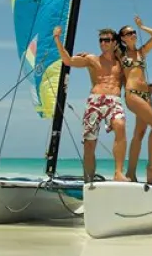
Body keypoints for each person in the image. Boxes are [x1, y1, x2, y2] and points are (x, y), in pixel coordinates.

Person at [52, 25, 126, 182]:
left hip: (114, 100)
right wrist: (57, 39)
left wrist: (145, 90)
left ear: (115, 43)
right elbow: (68, 60)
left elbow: (132, 80)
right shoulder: (92, 59)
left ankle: (118, 173)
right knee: (89, 143)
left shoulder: (122, 62)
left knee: (120, 125)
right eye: (101, 40)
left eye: (107, 40)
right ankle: (89, 181)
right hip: (95, 101)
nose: (103, 43)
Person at [118, 15, 152, 184]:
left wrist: (142, 26)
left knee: (140, 133)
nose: (132, 35)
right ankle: (151, 168)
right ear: (122, 38)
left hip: (146, 95)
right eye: (129, 33)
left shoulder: (141, 52)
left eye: (133, 32)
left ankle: (130, 173)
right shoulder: (120, 54)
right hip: (133, 94)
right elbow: (104, 53)